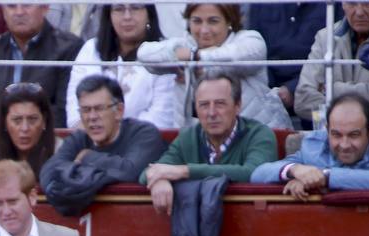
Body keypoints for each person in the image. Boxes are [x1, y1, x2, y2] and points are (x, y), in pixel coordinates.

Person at [137, 3, 293, 130]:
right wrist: (184, 55)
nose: (204, 30)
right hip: (199, 141)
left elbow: (238, 56)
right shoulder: (185, 44)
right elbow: (144, 54)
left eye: (213, 21)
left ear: (229, 22)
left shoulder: (250, 39)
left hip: (258, 135)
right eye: (197, 21)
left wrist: (194, 57)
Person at [140, 72, 277, 214]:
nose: (211, 113)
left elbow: (254, 173)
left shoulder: (259, 134)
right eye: (204, 105)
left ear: (237, 106)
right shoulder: (188, 137)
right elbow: (149, 173)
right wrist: (160, 180)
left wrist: (185, 171)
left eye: (220, 104)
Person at [40, 73, 166, 215]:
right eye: (86, 110)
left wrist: (87, 158)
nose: (92, 117)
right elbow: (48, 173)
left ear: (119, 111)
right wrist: (99, 174)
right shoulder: (80, 138)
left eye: (99, 108)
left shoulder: (144, 134)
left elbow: (130, 171)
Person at [251, 93, 369, 198]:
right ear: (327, 131)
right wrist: (295, 170)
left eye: (354, 135)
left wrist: (323, 176)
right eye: (336, 135)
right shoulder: (314, 144)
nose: (344, 145)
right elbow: (258, 174)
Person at [0, 3, 82, 128]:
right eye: (11, 6)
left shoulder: (68, 48)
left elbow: (63, 113)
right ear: (3, 11)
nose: (19, 12)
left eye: (26, 4)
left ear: (45, 7)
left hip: (45, 140)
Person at [66, 3, 179, 130]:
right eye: (119, 9)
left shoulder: (164, 53)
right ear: (109, 15)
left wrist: (115, 138)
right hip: (90, 142)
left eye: (135, 8)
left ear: (149, 14)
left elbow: (161, 118)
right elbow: (74, 113)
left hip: (145, 144)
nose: (127, 16)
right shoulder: (90, 50)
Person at [295, 2, 369, 127]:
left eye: (367, 4)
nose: (359, 12)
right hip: (331, 137)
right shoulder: (325, 37)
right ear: (342, 4)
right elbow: (302, 100)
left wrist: (331, 90)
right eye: (352, 3)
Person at [244, 1, 324, 121]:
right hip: (267, 91)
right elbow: (253, 49)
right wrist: (270, 91)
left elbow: (334, 52)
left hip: (313, 88)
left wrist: (292, 88)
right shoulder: (259, 4)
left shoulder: (332, 5)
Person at [0, 81, 56, 181]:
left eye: (32, 119)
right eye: (17, 120)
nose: (25, 128)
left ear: (44, 120)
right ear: (4, 122)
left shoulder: (60, 154)